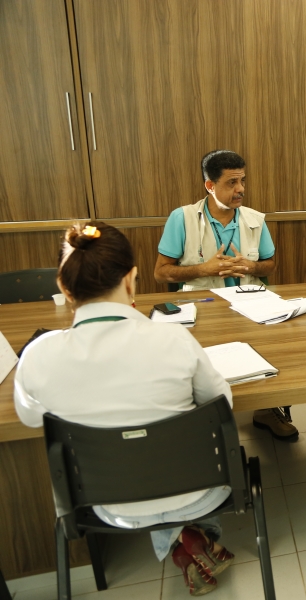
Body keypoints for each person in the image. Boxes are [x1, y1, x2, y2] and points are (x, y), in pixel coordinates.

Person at [15, 222, 236, 596]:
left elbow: (31, 417)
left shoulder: (39, 355)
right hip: (198, 493)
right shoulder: (174, 339)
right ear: (131, 280)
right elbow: (221, 405)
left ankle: (182, 539)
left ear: (64, 287)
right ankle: (194, 531)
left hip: (106, 502)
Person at [154, 150, 296, 441]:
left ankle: (266, 410)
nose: (240, 189)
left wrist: (251, 266)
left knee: (275, 346)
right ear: (210, 185)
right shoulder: (182, 218)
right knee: (202, 363)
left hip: (250, 302)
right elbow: (161, 273)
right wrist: (203, 269)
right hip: (202, 304)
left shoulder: (254, 219)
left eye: (242, 181)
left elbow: (270, 265)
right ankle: (204, 419)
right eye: (232, 182)